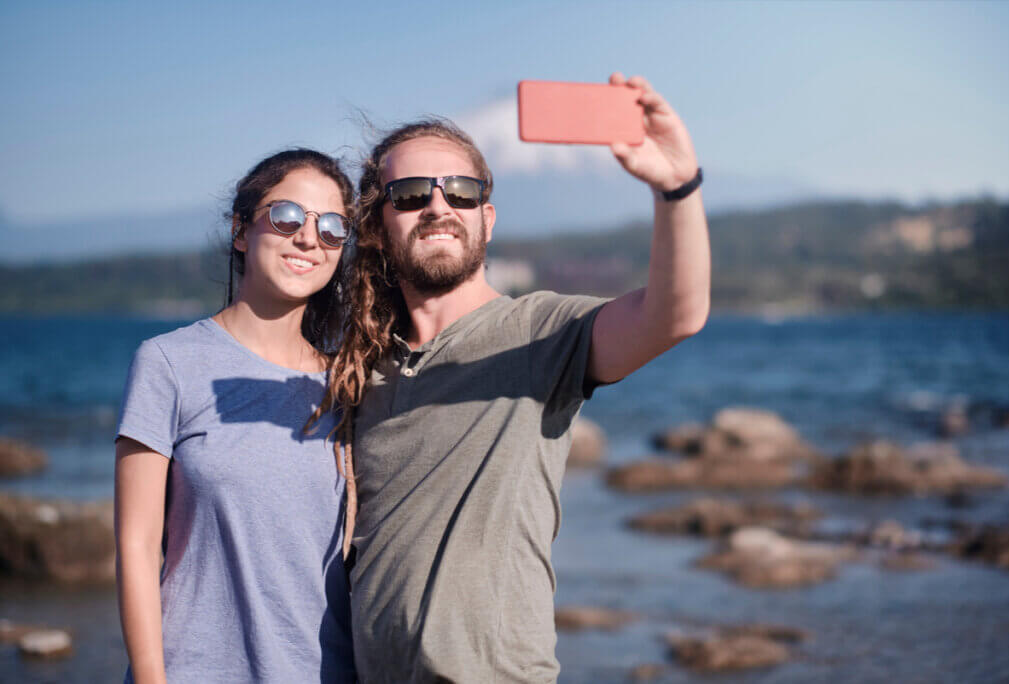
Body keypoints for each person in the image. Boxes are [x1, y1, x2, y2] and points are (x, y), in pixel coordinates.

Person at [327, 73, 710, 682]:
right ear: (377, 225)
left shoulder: (540, 332)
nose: (438, 207)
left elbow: (674, 315)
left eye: (460, 192)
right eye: (411, 194)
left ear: (487, 218)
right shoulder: (361, 364)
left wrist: (678, 189)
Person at [115, 149, 358, 683]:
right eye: (287, 216)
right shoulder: (169, 364)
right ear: (241, 230)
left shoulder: (348, 386)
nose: (309, 238)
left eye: (332, 227)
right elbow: (136, 546)